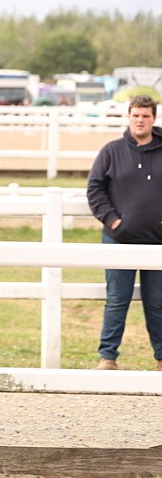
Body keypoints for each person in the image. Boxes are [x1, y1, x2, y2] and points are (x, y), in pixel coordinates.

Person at [87, 95, 162, 370]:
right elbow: (95, 188)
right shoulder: (111, 151)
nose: (140, 120)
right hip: (119, 238)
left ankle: (161, 358)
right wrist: (112, 220)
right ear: (128, 117)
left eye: (145, 116)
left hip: (158, 242)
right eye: (135, 115)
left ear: (154, 118)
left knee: (158, 303)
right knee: (117, 300)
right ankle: (108, 357)